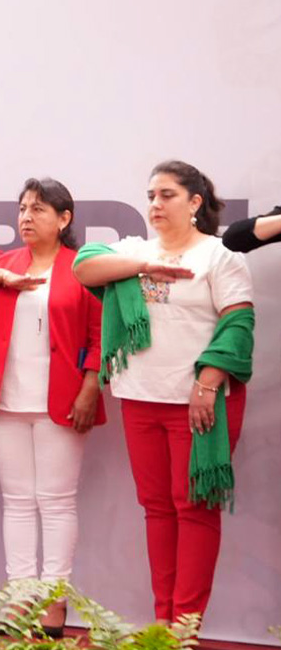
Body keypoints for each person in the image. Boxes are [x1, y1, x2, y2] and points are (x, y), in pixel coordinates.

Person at [73, 160, 253, 624]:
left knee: (193, 508)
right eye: (151, 195)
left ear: (195, 203)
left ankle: (184, 627)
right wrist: (144, 264)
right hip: (141, 398)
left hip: (200, 401)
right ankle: (163, 623)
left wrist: (208, 381)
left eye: (167, 195)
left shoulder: (219, 255)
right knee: (157, 509)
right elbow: (84, 267)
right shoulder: (133, 249)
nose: (155, 203)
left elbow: (238, 322)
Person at [0, 178, 104, 635]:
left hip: (63, 400)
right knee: (16, 501)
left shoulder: (83, 267)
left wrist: (91, 386)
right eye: (23, 209)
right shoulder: (2, 262)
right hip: (6, 398)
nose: (27, 217)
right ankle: (19, 599)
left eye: (39, 210)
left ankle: (53, 602)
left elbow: (99, 334)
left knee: (54, 502)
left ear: (64, 219)